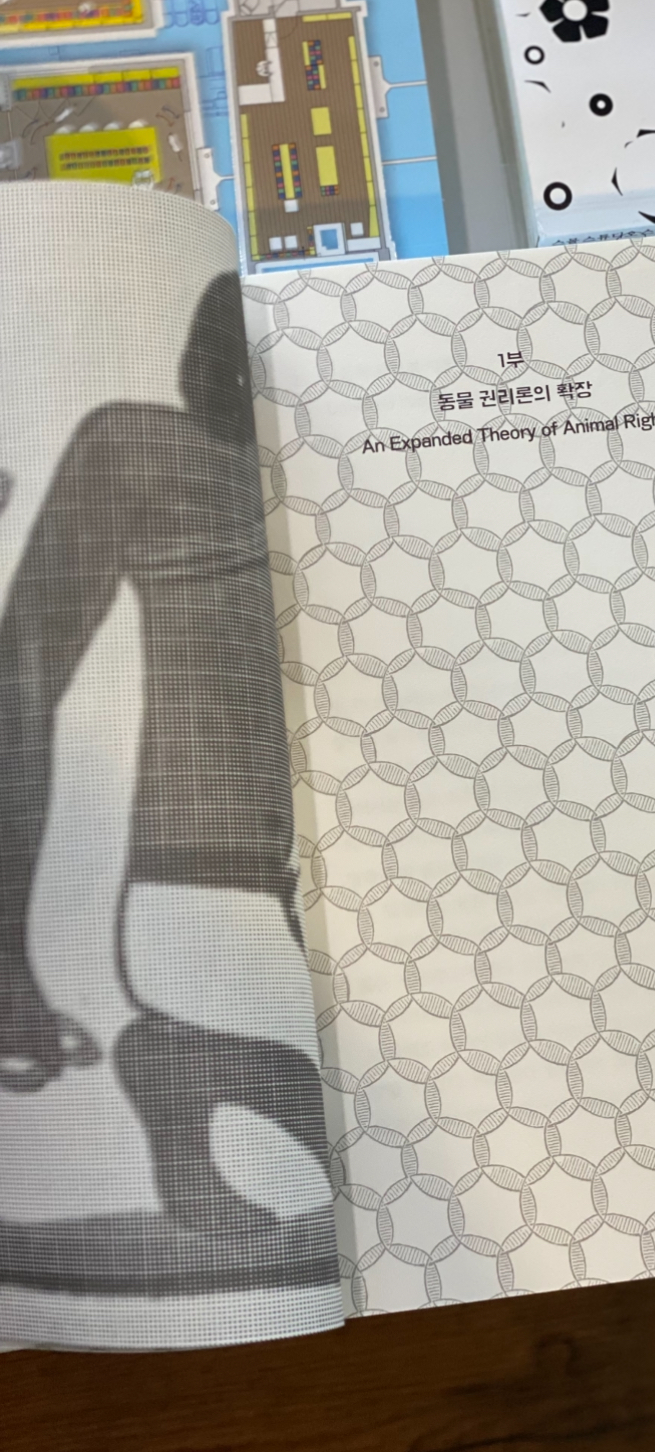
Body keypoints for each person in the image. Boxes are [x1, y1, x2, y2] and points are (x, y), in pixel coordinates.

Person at [0, 273, 330, 1240]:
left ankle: (182, 1074)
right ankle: (184, 1068)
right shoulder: (145, 451)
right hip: (207, 886)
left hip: (274, 886)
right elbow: (22, 686)